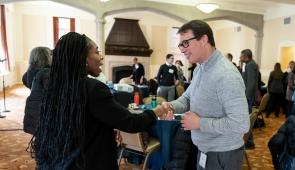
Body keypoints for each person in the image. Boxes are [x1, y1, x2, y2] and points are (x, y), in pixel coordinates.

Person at [29, 32, 166, 170]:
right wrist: (155, 112)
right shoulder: (94, 89)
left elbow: (78, 124)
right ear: (84, 59)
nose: (101, 57)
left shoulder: (56, 87)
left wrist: (106, 129)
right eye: (97, 52)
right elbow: (131, 123)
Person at [161, 20, 249, 170]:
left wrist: (199, 123)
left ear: (204, 39)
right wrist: (171, 106)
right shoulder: (200, 69)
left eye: (186, 43)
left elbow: (241, 124)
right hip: (204, 149)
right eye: (180, 45)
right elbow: (187, 98)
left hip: (223, 154)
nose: (182, 50)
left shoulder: (226, 74)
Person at [22, 47, 52, 134]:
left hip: (34, 112)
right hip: (44, 111)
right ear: (45, 57)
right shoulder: (46, 73)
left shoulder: (29, 72)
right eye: (50, 55)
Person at [239, 49, 258, 149]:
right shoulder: (250, 64)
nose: (240, 58)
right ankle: (249, 141)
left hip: (248, 97)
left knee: (247, 120)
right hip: (249, 96)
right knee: (247, 120)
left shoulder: (250, 65)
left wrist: (245, 97)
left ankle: (249, 141)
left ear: (246, 56)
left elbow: (251, 83)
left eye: (241, 56)